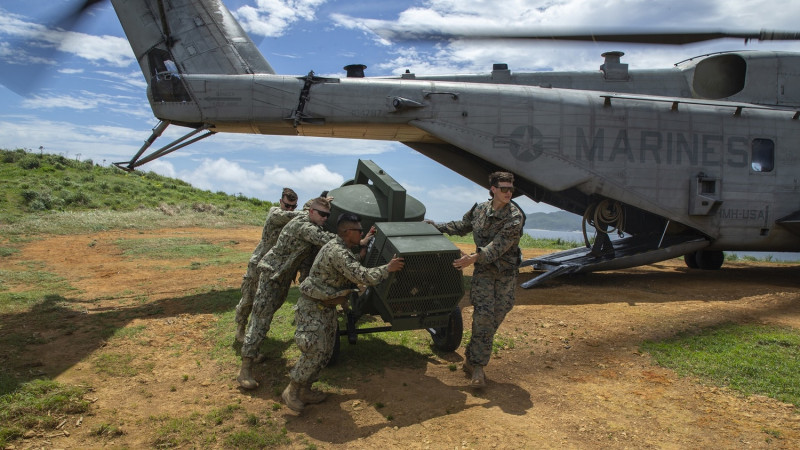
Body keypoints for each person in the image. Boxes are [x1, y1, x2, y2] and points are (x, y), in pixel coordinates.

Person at [237, 198, 374, 390]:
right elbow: (329, 241)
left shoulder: (312, 226)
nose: (325, 218)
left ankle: (253, 353)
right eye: (322, 214)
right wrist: (359, 241)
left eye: (328, 215)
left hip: (283, 278)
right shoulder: (304, 226)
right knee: (261, 319)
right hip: (271, 275)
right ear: (311, 212)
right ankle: (245, 369)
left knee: (263, 318)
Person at [281, 213, 404, 413]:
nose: (362, 234)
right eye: (359, 231)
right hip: (314, 308)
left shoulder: (341, 248)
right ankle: (292, 390)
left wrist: (362, 250)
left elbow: (349, 263)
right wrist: (388, 268)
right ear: (348, 233)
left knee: (325, 352)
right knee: (315, 350)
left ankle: (306, 390)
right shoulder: (338, 252)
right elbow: (363, 276)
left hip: (326, 307)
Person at [429, 172, 523, 388]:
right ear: (493, 189)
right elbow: (461, 225)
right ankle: (478, 368)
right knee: (483, 316)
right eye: (504, 189)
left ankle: (472, 356)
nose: (509, 193)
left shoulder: (515, 217)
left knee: (498, 314)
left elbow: (498, 246)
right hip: (484, 273)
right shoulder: (479, 210)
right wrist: (436, 227)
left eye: (511, 189)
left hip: (505, 273)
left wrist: (473, 257)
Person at [234, 188, 302, 342]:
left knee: (269, 303)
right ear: (280, 202)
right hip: (258, 264)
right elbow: (291, 216)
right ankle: (241, 329)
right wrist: (313, 210)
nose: (290, 209)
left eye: (293, 206)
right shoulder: (275, 213)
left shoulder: (295, 219)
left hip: (277, 268)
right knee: (248, 299)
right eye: (287, 205)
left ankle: (254, 334)